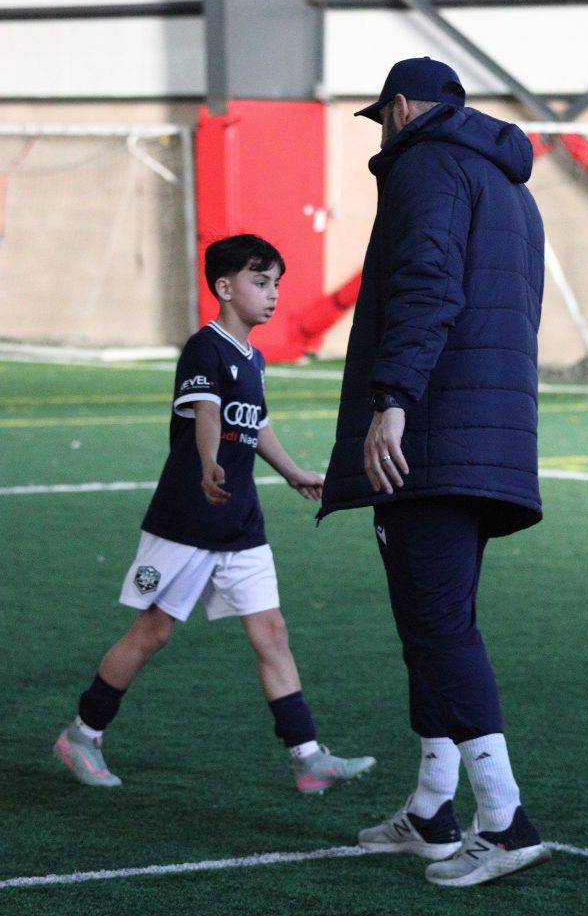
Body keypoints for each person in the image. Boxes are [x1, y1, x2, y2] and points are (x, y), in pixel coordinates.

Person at [318, 57, 550, 886]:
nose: (382, 130)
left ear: (403, 107)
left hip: (430, 438)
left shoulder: (424, 163)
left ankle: (505, 820)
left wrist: (393, 399)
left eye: (382, 116)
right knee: (433, 622)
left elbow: (426, 285)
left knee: (440, 627)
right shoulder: (508, 185)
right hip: (486, 436)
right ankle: (429, 811)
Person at [54, 234, 375, 796]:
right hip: (189, 517)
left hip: (240, 521)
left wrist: (292, 470)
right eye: (260, 281)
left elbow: (254, 423)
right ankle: (82, 734)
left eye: (277, 283)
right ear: (225, 288)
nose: (273, 294)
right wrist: (207, 462)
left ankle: (308, 757)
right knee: (152, 632)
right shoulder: (205, 347)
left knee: (271, 632)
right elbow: (208, 411)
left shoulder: (254, 357)